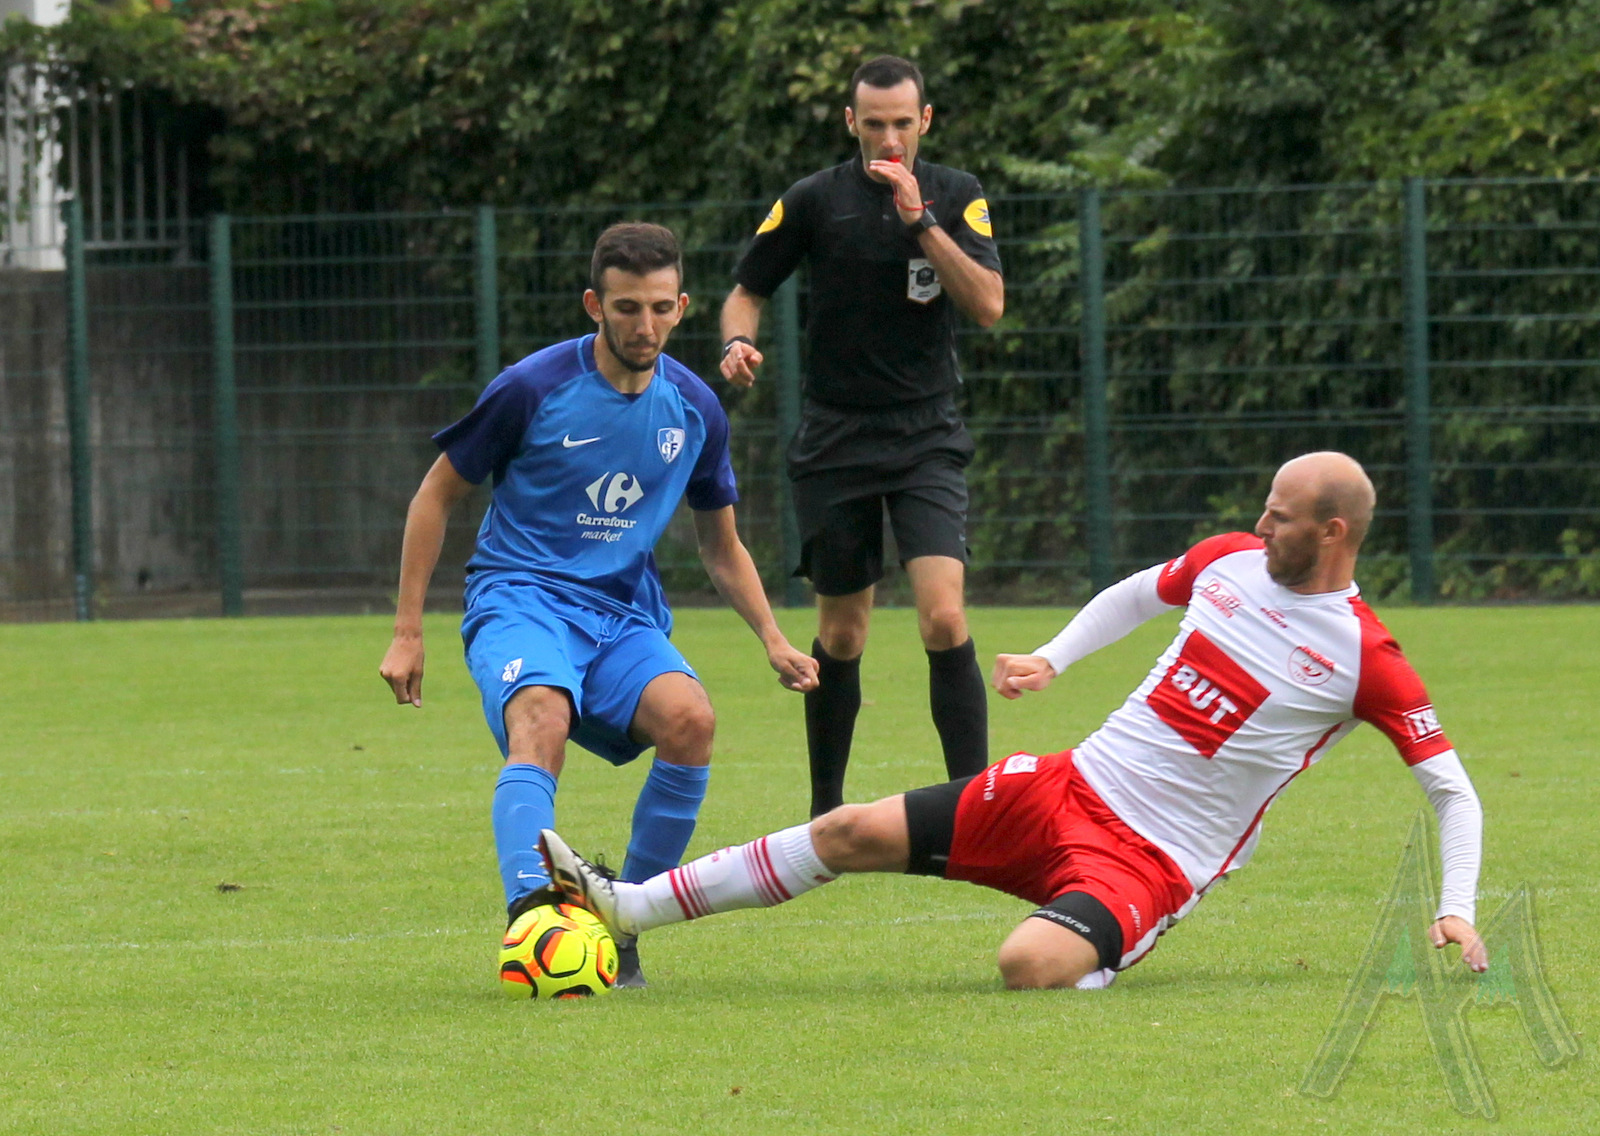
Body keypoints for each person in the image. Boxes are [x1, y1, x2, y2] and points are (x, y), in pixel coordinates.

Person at [539, 452, 1489, 990]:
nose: (1261, 524)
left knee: (1028, 966)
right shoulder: (1229, 560)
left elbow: (1452, 789)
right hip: (1069, 784)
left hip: (1151, 860)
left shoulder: (1366, 657)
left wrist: (1456, 908)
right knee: (847, 830)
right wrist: (1053, 657)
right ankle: (629, 906)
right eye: (1264, 510)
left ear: (1333, 532)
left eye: (1280, 517)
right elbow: (1138, 593)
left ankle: (1102, 949)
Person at [378, 222, 818, 987]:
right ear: (594, 305)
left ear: (681, 307)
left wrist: (773, 638)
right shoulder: (531, 388)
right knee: (541, 717)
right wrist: (407, 631)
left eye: (659, 308)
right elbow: (435, 495)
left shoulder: (695, 409)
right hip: (520, 597)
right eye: (626, 308)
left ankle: (625, 918)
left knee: (691, 720)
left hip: (621, 615)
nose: (644, 325)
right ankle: (535, 917)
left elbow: (721, 547)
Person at [719, 54, 1005, 817]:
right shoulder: (815, 199)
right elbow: (746, 291)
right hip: (836, 439)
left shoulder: (957, 194)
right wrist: (735, 342)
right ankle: (825, 817)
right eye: (873, 124)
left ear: (925, 120)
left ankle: (974, 813)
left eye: (902, 123)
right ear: (851, 121)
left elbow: (988, 304)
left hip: (926, 436)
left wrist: (922, 221)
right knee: (842, 635)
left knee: (944, 615)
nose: (889, 138)